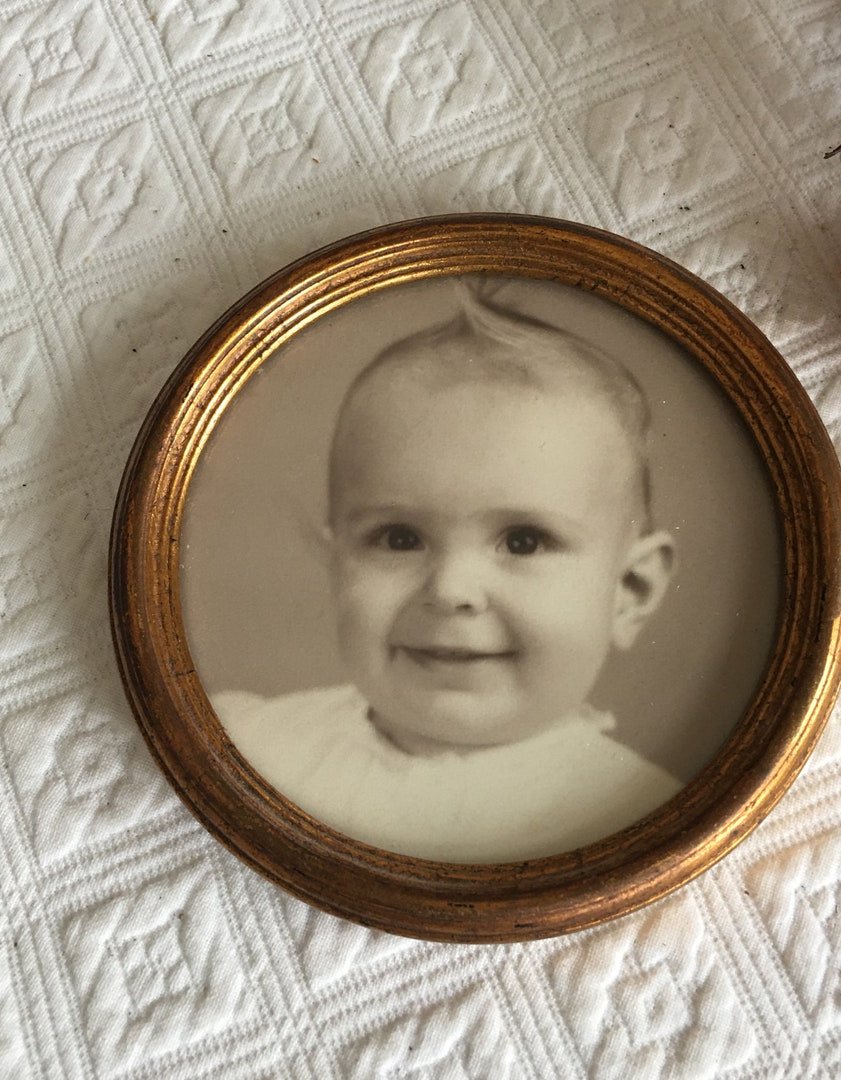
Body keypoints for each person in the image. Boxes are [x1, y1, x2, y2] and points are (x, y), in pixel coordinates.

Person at [213, 286, 682, 862]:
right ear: (338, 567)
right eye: (400, 538)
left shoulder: (642, 823)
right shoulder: (249, 745)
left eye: (524, 541)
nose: (451, 590)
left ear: (630, 591)